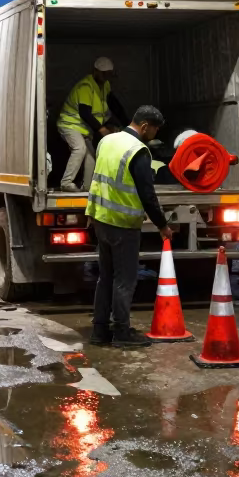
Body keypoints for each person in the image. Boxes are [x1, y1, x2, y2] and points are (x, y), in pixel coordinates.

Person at [87, 105, 174, 347]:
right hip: (123, 224)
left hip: (100, 218)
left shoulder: (108, 140)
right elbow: (148, 195)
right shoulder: (139, 151)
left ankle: (99, 331)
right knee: (125, 280)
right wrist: (162, 226)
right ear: (145, 126)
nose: (155, 135)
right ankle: (122, 333)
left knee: (105, 277)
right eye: (155, 130)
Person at [57, 57, 129, 192]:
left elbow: (114, 105)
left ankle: (88, 187)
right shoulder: (86, 86)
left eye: (108, 74)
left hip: (83, 127)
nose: (105, 77)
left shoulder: (105, 85)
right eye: (103, 73)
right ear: (95, 71)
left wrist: (127, 124)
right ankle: (66, 182)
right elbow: (85, 113)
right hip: (69, 124)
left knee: (91, 155)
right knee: (79, 149)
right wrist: (102, 129)